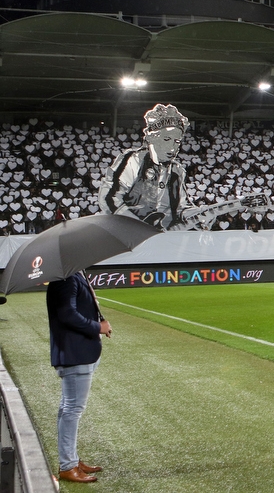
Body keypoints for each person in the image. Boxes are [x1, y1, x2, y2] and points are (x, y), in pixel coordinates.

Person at [98, 104, 211, 230]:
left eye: (177, 141)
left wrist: (197, 215)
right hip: (126, 233)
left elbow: (180, 208)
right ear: (152, 138)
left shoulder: (177, 171)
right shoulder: (133, 160)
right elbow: (109, 198)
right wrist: (139, 227)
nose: (173, 148)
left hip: (160, 237)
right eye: (167, 139)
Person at [46, 270, 112, 484]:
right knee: (72, 409)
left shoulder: (72, 275)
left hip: (79, 352)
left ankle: (71, 459)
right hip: (75, 353)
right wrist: (97, 327)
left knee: (68, 408)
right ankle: (67, 465)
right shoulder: (66, 278)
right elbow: (67, 314)